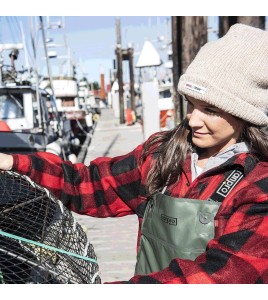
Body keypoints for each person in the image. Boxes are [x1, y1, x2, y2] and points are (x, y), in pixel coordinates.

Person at [0, 23, 268, 284]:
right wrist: (14, 163)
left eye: (210, 109)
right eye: (190, 104)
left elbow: (223, 276)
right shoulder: (162, 155)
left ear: (244, 114)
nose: (193, 120)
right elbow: (90, 183)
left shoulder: (258, 185)